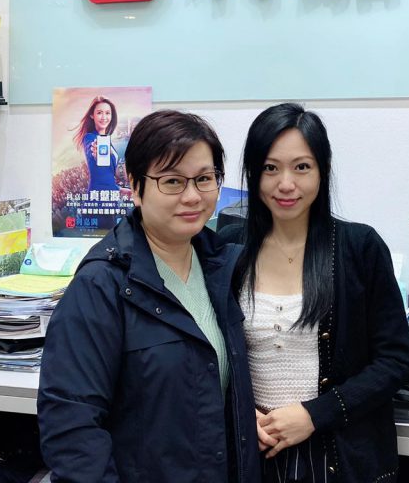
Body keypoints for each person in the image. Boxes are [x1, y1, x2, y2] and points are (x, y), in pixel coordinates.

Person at [38, 110, 261, 483]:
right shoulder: (102, 284)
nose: (192, 196)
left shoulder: (222, 265)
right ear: (135, 185)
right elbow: (71, 429)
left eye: (204, 179)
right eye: (172, 181)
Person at [224, 103, 409, 483]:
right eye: (270, 168)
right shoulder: (228, 248)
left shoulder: (359, 247)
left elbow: (396, 361)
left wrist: (314, 414)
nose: (286, 184)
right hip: (254, 453)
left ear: (322, 170)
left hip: (337, 455)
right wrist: (240, 414)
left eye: (301, 167)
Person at [72, 95, 127, 232]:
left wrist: (119, 190)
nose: (104, 117)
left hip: (108, 200)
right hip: (98, 203)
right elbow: (94, 151)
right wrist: (97, 152)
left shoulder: (106, 141)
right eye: (99, 113)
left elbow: (105, 175)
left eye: (108, 113)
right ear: (92, 115)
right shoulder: (90, 138)